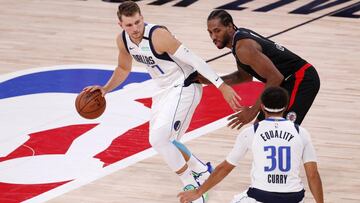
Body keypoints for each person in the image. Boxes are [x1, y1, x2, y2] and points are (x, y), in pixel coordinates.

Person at [84, 1, 241, 202]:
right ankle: (201, 171)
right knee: (167, 141)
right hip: (163, 89)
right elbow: (123, 69)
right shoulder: (123, 40)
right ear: (121, 25)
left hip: (185, 85)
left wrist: (221, 85)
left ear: (142, 18)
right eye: (129, 25)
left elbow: (195, 60)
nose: (135, 28)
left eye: (138, 22)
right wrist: (105, 89)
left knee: (159, 139)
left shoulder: (158, 36)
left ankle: (191, 185)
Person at [178, 86, 324, 203]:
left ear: (262, 106)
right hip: (294, 198)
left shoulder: (251, 132)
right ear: (285, 107)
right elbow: (312, 175)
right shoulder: (301, 132)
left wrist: (198, 192)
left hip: (261, 197)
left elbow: (225, 168)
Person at [203, 9, 320, 129]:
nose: (213, 37)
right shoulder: (238, 40)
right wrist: (209, 80)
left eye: (217, 31)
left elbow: (275, 78)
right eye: (210, 32)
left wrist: (252, 112)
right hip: (285, 83)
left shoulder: (243, 47)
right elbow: (243, 76)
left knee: (283, 132)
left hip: (301, 79)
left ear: (229, 26)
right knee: (260, 131)